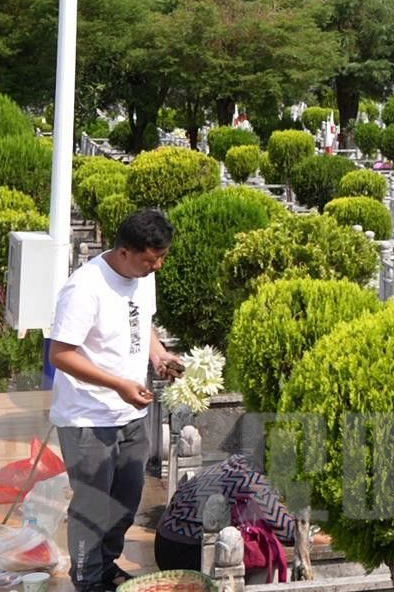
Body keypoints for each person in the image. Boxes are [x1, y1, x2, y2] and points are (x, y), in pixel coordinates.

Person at [48, 210, 183, 592]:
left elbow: (143, 324)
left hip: (130, 413)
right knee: (92, 506)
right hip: (88, 417)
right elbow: (61, 354)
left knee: (125, 502)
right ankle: (87, 580)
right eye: (150, 259)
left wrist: (159, 356)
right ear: (124, 252)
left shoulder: (143, 276)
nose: (156, 265)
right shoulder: (85, 287)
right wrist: (118, 384)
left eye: (161, 257)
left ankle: (107, 568)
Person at [152, 453, 301, 576]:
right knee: (263, 550)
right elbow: (290, 532)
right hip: (184, 550)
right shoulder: (252, 481)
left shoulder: (237, 461)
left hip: (164, 536)